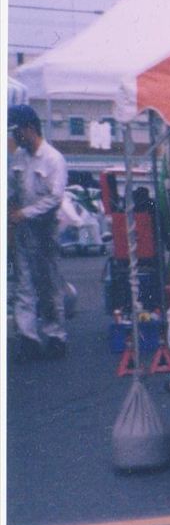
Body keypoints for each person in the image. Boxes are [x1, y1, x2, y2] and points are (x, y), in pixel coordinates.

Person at [8, 104, 69, 361]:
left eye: (17, 131)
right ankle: (28, 338)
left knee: (48, 284)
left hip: (45, 230)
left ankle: (56, 335)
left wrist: (25, 213)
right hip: (23, 231)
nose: (15, 136)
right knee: (23, 284)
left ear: (30, 128)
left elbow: (55, 198)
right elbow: (11, 188)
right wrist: (11, 212)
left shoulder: (53, 159)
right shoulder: (19, 157)